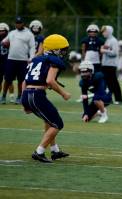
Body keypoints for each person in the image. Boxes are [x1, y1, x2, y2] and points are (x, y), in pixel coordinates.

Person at [21, 34, 71, 163]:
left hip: (28, 93)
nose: (64, 53)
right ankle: (39, 152)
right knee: (57, 124)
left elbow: (24, 82)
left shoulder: (36, 59)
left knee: (49, 121)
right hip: (36, 94)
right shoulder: (53, 61)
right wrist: (63, 93)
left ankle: (54, 150)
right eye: (63, 50)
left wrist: (24, 101)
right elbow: (50, 80)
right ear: (55, 50)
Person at [1, 16, 35, 104]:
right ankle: (3, 96)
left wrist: (31, 57)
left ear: (23, 23)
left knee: (21, 80)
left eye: (19, 23)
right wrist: (5, 43)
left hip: (23, 60)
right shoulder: (12, 33)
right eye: (16, 23)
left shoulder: (29, 34)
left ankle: (19, 97)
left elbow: (32, 47)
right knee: (8, 79)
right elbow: (4, 41)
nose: (18, 24)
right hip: (11, 59)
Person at [100, 25, 122, 104]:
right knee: (107, 83)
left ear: (109, 32)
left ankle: (119, 99)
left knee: (114, 82)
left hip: (111, 65)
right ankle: (109, 99)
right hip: (105, 64)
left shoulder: (113, 40)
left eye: (105, 31)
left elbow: (114, 53)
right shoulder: (107, 40)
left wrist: (104, 51)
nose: (103, 33)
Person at [0, 22, 15, 103]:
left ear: (7, 31)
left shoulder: (10, 38)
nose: (1, 32)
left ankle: (12, 96)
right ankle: (1, 98)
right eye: (0, 31)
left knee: (9, 80)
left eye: (3, 31)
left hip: (8, 62)